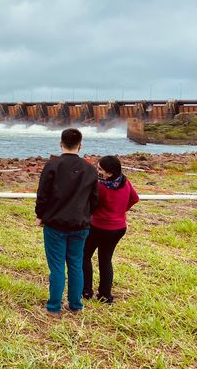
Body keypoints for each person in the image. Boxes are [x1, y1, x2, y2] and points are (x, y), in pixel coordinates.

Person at [35, 128, 99, 317]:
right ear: (80, 145)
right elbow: (95, 198)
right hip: (80, 224)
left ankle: (54, 307)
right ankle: (75, 305)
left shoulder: (52, 165)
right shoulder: (90, 168)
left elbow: (43, 194)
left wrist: (40, 215)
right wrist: (87, 214)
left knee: (56, 267)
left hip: (55, 223)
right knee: (76, 264)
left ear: (60, 143)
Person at [83, 156, 139, 304]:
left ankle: (86, 291)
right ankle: (105, 295)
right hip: (119, 228)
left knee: (84, 255)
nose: (97, 170)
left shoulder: (99, 186)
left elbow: (90, 204)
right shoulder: (125, 182)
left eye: (100, 169)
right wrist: (121, 212)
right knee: (105, 260)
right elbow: (134, 198)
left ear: (109, 173)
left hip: (99, 227)